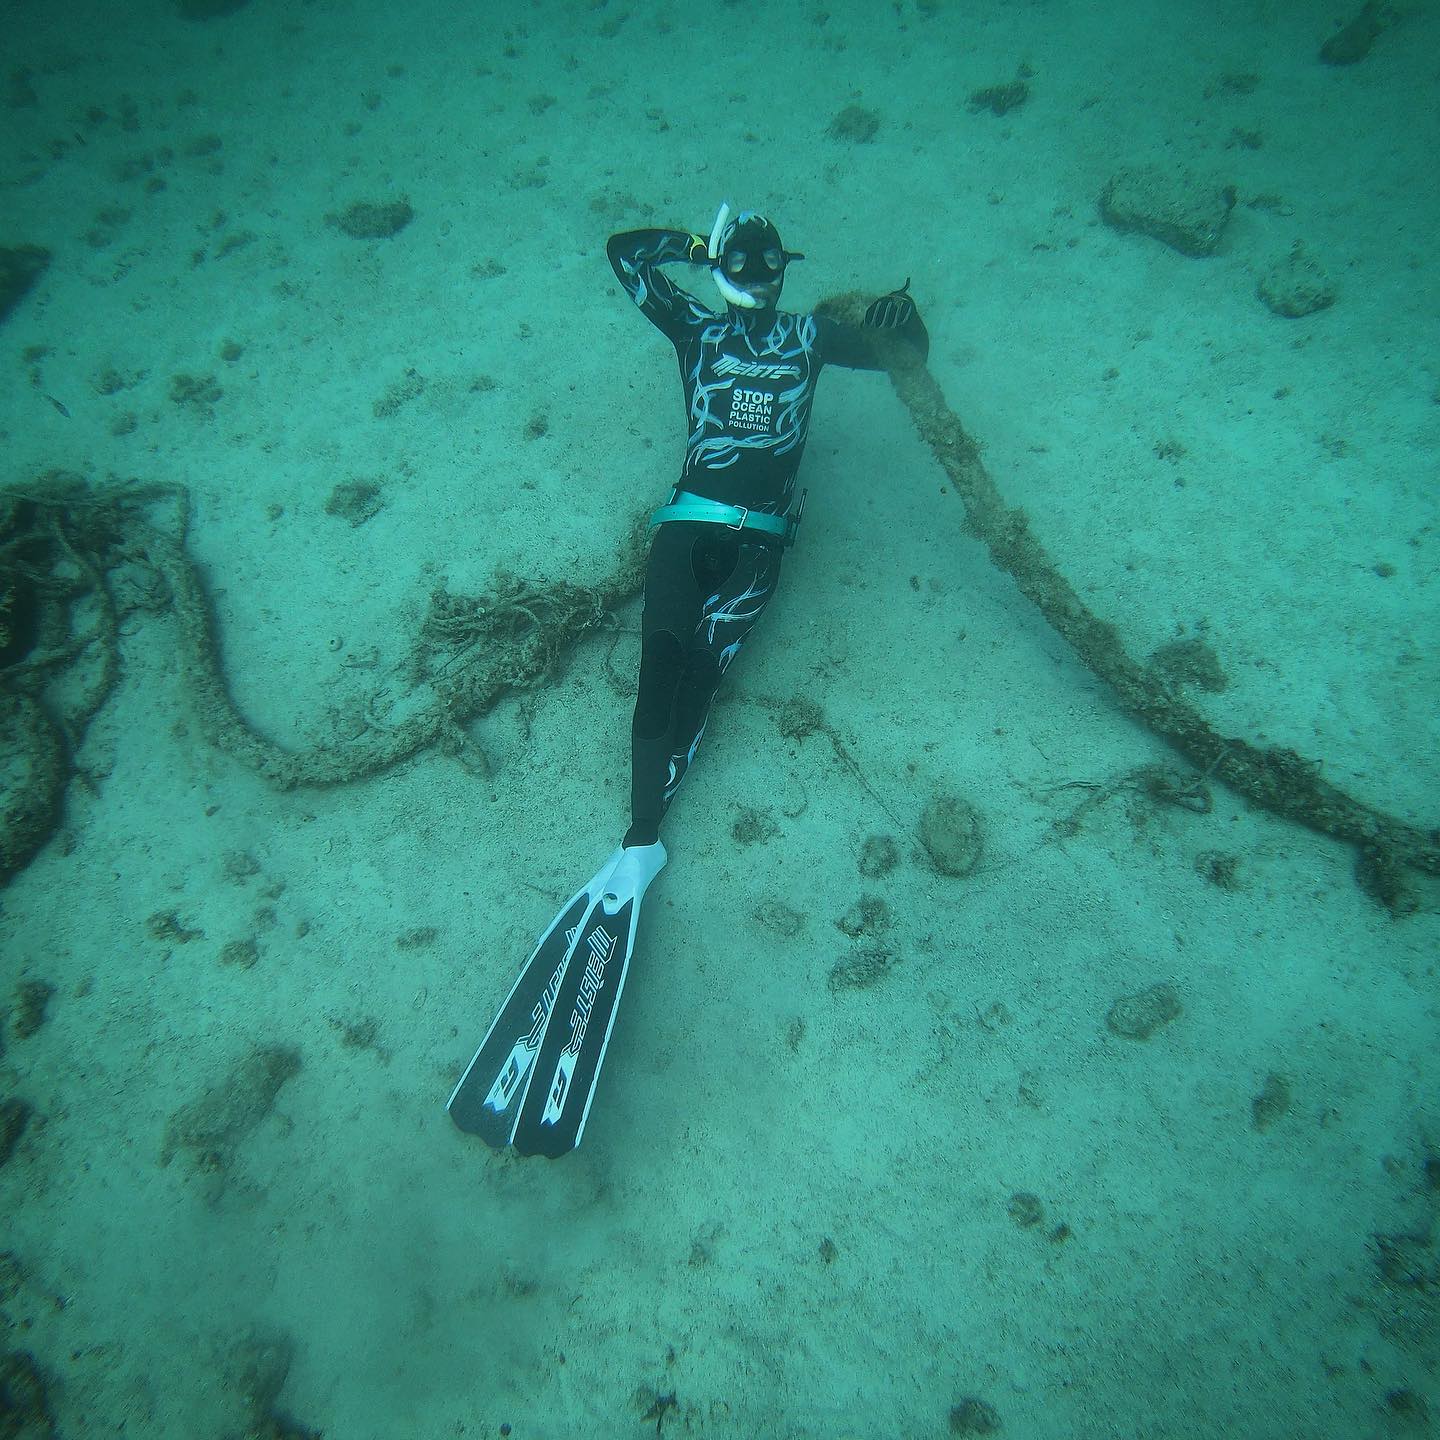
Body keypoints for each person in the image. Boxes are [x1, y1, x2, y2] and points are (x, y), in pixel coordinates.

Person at [448, 204, 929, 1156]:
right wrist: (707, 253)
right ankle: (640, 836)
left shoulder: (762, 332)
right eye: (748, 271)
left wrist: (893, 318)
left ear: (768, 273)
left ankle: (642, 837)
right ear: (742, 273)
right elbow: (628, 256)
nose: (757, 285)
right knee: (674, 672)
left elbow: (898, 358)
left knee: (687, 674)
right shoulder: (738, 332)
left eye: (759, 270)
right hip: (712, 537)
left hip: (729, 543)